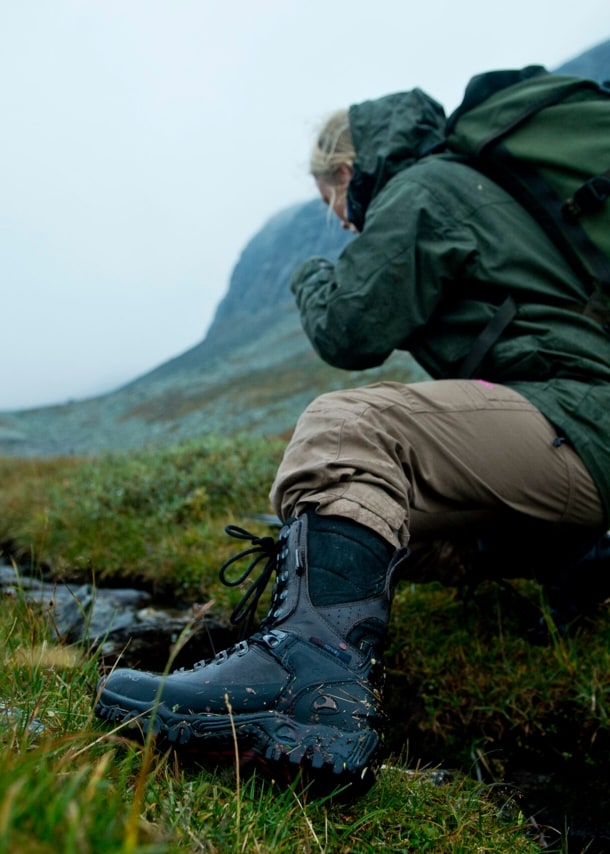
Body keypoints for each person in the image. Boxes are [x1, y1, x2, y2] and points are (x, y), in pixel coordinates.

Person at [94, 82, 610, 791]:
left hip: (582, 422)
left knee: (348, 430)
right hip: (574, 432)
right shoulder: (470, 188)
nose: (338, 222)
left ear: (345, 172)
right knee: (368, 527)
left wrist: (310, 276)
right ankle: (576, 556)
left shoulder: (423, 188)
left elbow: (349, 329)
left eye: (328, 201)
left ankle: (307, 693)